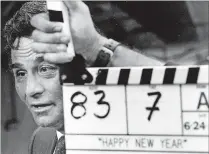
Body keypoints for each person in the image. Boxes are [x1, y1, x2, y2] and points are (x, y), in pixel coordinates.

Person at [3, 1, 166, 154]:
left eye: (45, 69)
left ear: (85, 68)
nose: (31, 90)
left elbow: (184, 94)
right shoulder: (41, 139)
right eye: (21, 73)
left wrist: (94, 46)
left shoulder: (131, 138)